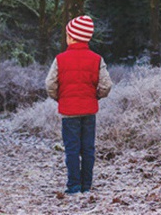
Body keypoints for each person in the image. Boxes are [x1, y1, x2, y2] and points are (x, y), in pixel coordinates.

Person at [45, 15, 113, 194]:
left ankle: (74, 187)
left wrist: (60, 98)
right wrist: (95, 96)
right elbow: (106, 85)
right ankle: (87, 186)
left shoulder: (60, 59)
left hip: (69, 112)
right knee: (88, 149)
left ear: (72, 37)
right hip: (89, 111)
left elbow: (50, 84)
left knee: (72, 150)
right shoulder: (97, 59)